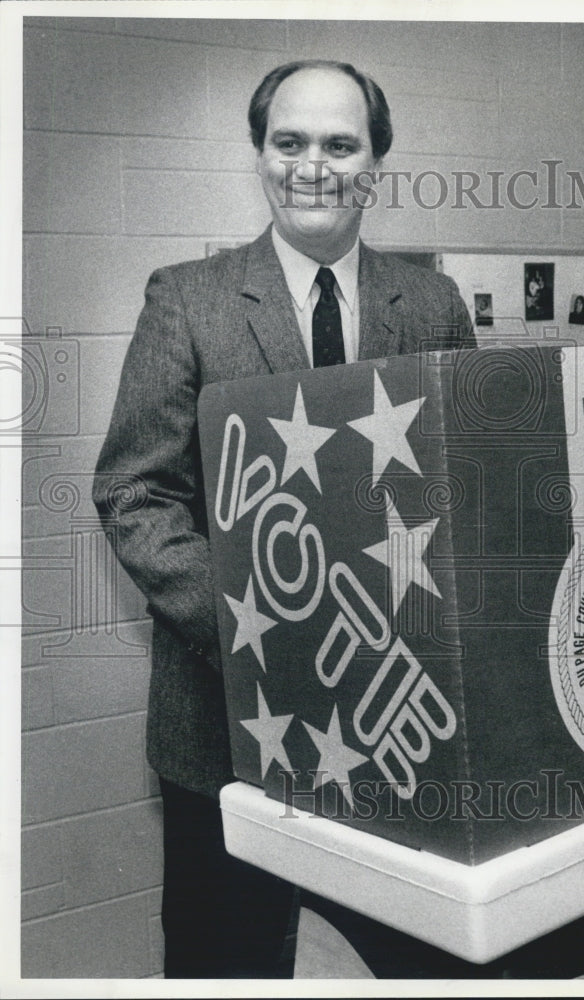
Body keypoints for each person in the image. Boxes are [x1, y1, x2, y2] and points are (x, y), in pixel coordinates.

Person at [92, 59, 474, 979]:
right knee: (228, 962)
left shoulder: (432, 304)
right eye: (289, 142)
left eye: (340, 145)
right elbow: (134, 492)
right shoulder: (187, 298)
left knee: (430, 962)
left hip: (397, 719)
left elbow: (469, 490)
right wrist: (261, 627)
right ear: (260, 156)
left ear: (375, 162)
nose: (313, 166)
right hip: (228, 719)